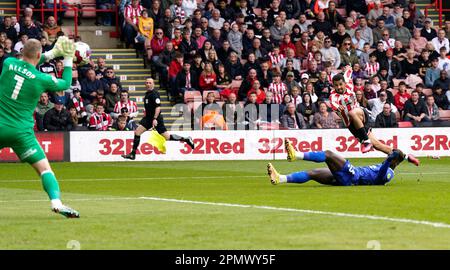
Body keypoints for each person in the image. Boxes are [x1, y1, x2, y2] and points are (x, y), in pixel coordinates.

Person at [0, 37, 79, 217]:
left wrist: (51, 54)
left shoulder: (8, 62)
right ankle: (56, 203)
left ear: (22, 52)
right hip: (21, 133)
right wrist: (66, 58)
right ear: (38, 54)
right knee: (44, 169)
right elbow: (66, 84)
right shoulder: (41, 78)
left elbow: (28, 61)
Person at [331, 68, 419, 165]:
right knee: (377, 145)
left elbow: (348, 72)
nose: (339, 87)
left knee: (352, 112)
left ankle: (366, 142)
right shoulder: (333, 97)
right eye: (336, 85)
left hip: (361, 114)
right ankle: (406, 156)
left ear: (344, 83)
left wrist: (348, 67)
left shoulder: (348, 83)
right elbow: (334, 105)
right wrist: (339, 108)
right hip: (353, 125)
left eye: (340, 84)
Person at [268, 141, 407, 186]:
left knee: (328, 154)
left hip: (353, 176)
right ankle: (280, 178)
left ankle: (296, 155)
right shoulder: (386, 164)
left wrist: (389, 161)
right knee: (312, 173)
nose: (388, 154)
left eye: (391, 154)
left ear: (395, 161)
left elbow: (379, 179)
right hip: (349, 177)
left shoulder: (389, 173)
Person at [122, 78, 195, 160]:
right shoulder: (147, 94)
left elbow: (158, 107)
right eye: (146, 83)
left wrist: (155, 118)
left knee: (167, 137)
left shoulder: (155, 94)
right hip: (148, 118)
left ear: (153, 84)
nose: (148, 84)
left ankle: (187, 139)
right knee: (137, 132)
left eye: (150, 83)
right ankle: (133, 154)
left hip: (155, 118)